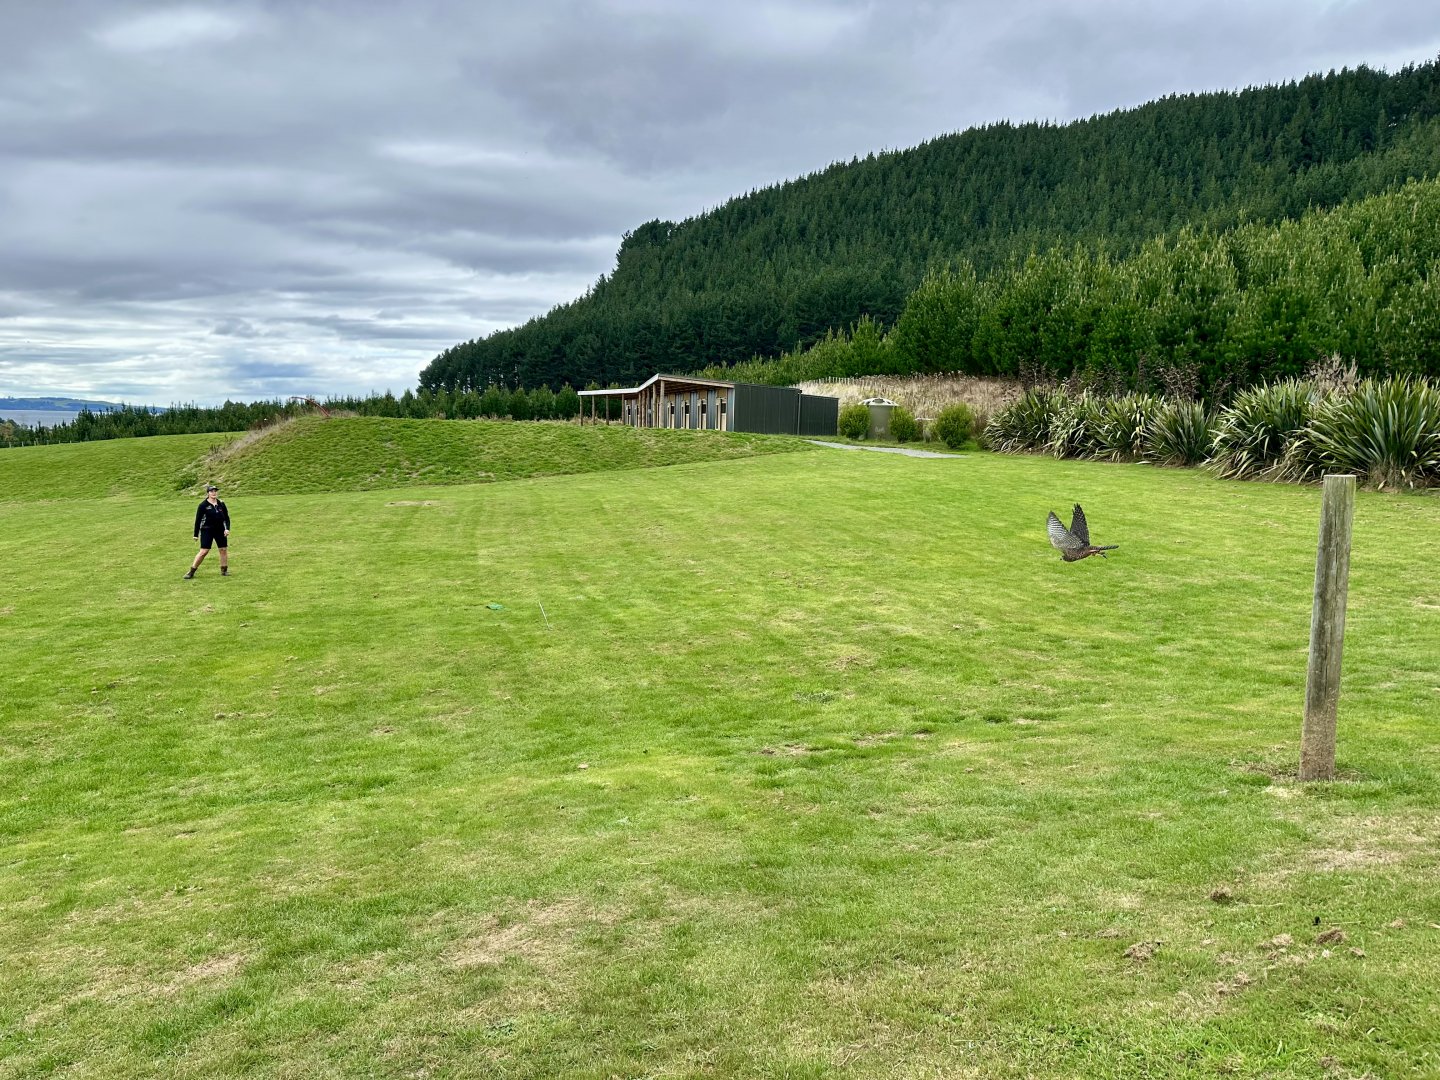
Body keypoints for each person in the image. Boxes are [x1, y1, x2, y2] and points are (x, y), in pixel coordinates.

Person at [185, 484, 231, 578]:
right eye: (211, 491)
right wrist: (195, 534)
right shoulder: (203, 505)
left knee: (223, 549)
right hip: (207, 530)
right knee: (204, 551)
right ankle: (191, 571)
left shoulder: (221, 503)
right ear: (208, 493)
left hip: (220, 530)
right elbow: (198, 520)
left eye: (215, 491)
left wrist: (227, 529)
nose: (214, 493)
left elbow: (226, 518)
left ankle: (224, 570)